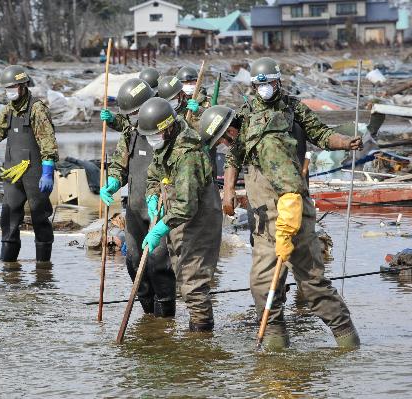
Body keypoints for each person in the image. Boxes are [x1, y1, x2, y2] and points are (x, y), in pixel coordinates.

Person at [223, 57, 363, 349]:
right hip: (262, 214)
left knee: (312, 284)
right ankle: (276, 348)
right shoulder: (245, 114)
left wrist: (344, 142)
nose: (265, 89)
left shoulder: (294, 108)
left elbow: (322, 134)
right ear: (253, 86)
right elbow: (233, 154)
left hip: (295, 203)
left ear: (278, 82)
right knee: (264, 284)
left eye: (269, 83)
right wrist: (228, 191)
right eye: (259, 85)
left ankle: (348, 343)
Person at [138, 97, 222, 332]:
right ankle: (197, 332)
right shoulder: (166, 144)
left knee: (193, 283)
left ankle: (200, 340)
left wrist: (160, 228)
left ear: (167, 127)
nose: (152, 139)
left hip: (199, 219)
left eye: (154, 134)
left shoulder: (188, 154)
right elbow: (155, 173)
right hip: (178, 219)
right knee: (183, 277)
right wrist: (153, 196)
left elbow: (186, 205)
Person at [99, 78, 176, 317]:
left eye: (135, 112)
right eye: (129, 114)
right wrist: (112, 182)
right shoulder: (130, 132)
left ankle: (164, 319)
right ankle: (147, 314)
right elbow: (120, 164)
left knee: (158, 264)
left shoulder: (168, 130)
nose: (132, 118)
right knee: (133, 262)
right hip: (134, 208)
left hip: (160, 210)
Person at [0, 65, 58, 263]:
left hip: (35, 173)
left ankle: (43, 268)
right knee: (9, 216)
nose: (9, 90)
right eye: (7, 87)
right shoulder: (8, 110)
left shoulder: (37, 109)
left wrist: (48, 172)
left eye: (13, 86)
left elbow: (48, 143)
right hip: (13, 171)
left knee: (40, 217)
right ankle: (8, 268)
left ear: (23, 85)